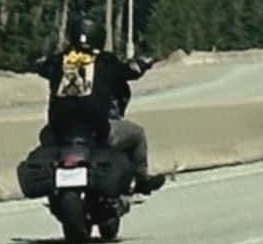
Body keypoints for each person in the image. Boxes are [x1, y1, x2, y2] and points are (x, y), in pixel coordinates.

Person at [33, 16, 165, 194]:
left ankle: (54, 186)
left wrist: (38, 60)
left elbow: (40, 66)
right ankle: (141, 180)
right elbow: (131, 71)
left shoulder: (58, 61)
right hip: (96, 128)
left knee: (45, 140)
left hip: (59, 130)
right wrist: (143, 63)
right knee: (137, 134)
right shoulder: (105, 61)